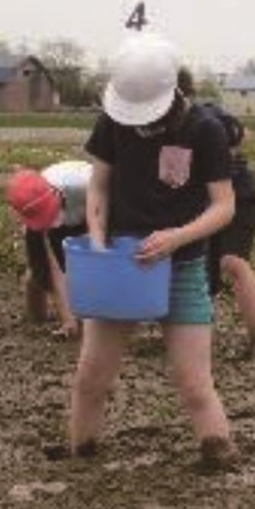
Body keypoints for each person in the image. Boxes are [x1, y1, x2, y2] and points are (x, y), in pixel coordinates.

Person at [68, 31, 237, 469]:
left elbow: (224, 207)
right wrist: (101, 243)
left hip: (180, 265)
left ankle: (219, 457)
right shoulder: (112, 121)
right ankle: (81, 454)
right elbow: (99, 186)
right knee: (91, 378)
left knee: (194, 383)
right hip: (122, 264)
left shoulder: (204, 129)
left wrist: (176, 237)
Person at [177, 69, 255, 352]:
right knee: (202, 269)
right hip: (203, 202)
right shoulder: (160, 127)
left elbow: (241, 133)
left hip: (240, 196)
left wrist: (223, 155)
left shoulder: (208, 117)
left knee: (232, 261)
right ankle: (197, 336)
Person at [7, 161, 90, 337]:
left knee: (87, 265)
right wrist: (68, 320)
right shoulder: (31, 205)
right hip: (53, 214)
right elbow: (54, 269)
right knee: (40, 271)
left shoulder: (83, 184)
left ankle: (95, 316)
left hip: (88, 212)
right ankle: (36, 318)